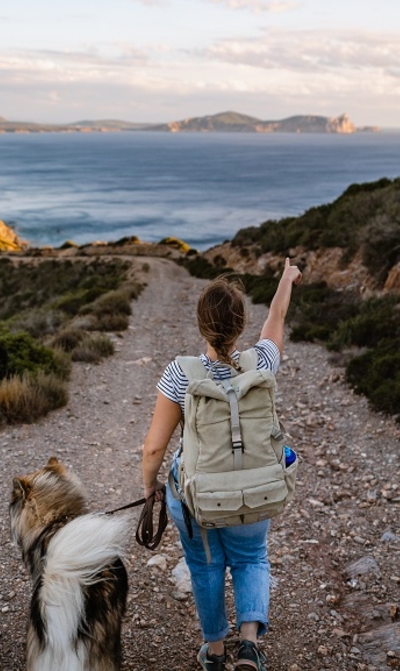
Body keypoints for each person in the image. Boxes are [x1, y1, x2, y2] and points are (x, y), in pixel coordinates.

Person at [141, 258, 302, 671]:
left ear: (200, 324)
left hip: (200, 498)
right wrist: (286, 279)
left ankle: (214, 653)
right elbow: (276, 320)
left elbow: (154, 449)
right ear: (240, 324)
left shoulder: (181, 372)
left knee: (205, 566)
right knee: (252, 557)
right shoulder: (260, 363)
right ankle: (248, 645)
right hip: (257, 486)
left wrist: (150, 486)